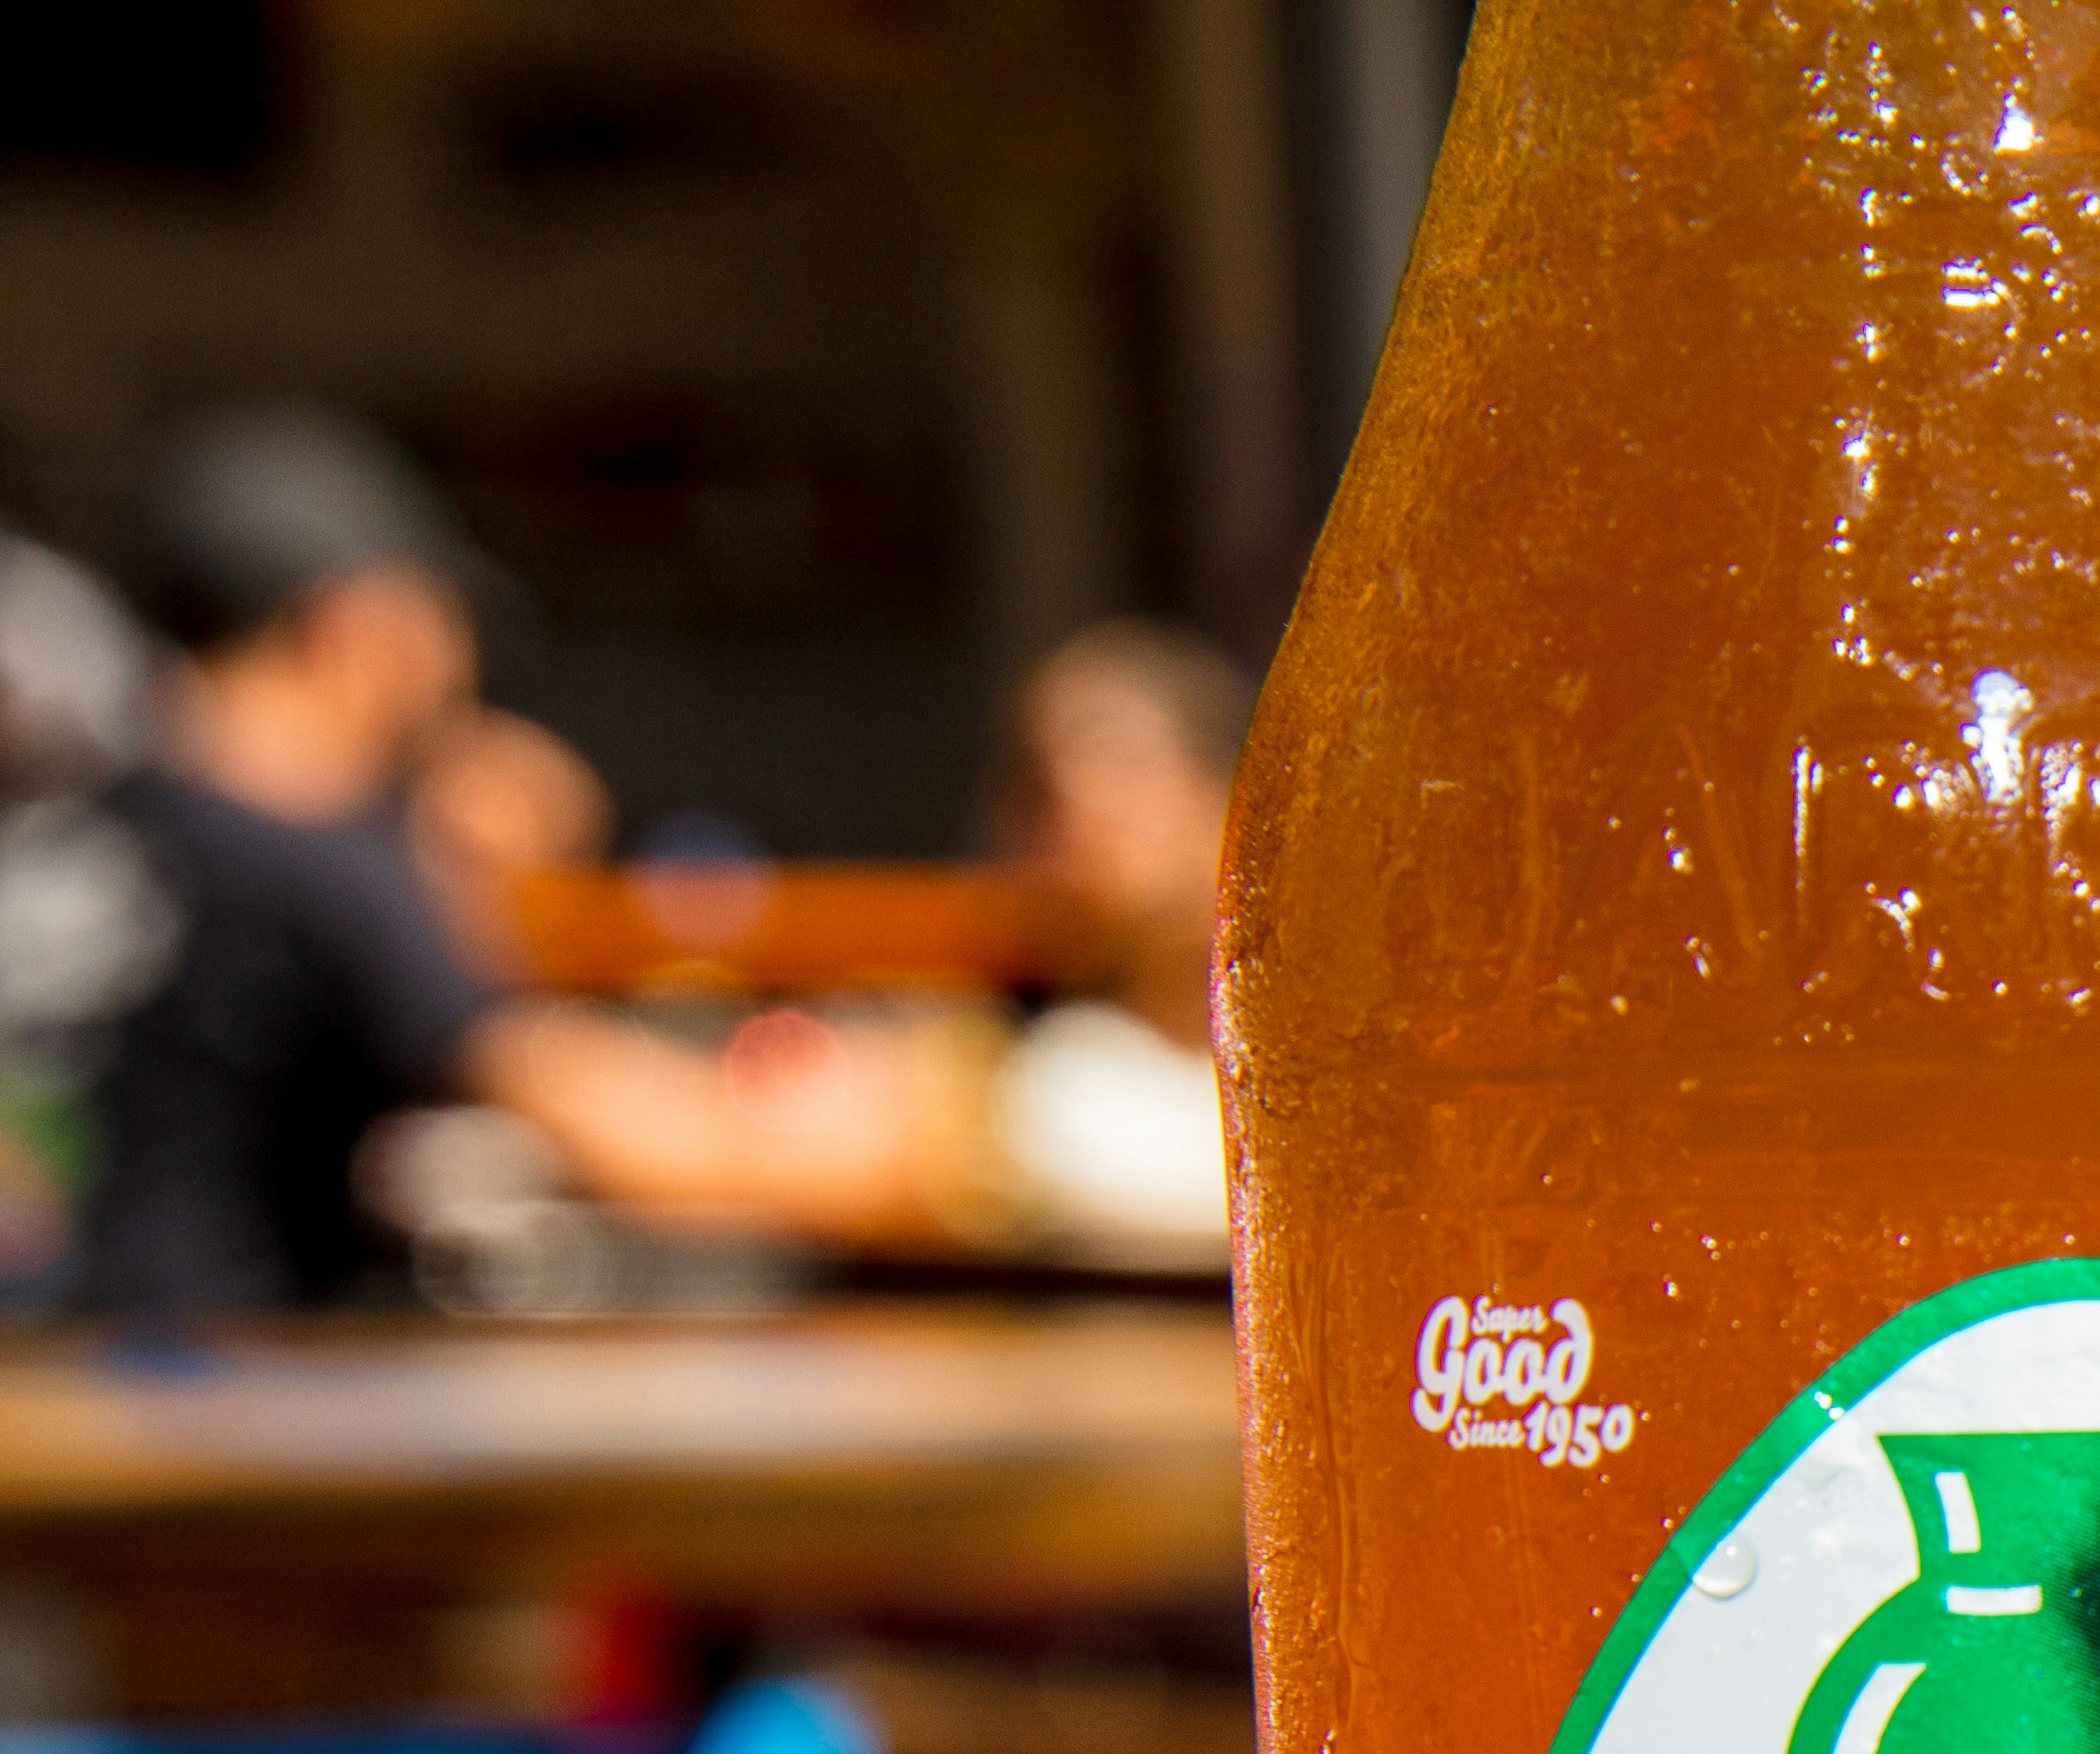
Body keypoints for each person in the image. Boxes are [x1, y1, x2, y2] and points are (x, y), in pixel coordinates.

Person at [72, 405, 917, 1319]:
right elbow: (654, 1149)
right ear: (355, 628)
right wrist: (914, 1127)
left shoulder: (87, 828)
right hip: (179, 1412)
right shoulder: (318, 867)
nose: (458, 668)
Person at [977, 621, 1242, 1261]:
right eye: (1040, 781)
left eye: (1118, 755)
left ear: (1225, 779)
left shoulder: (1346, 1056)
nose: (1082, 798)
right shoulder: (1022, 1070)